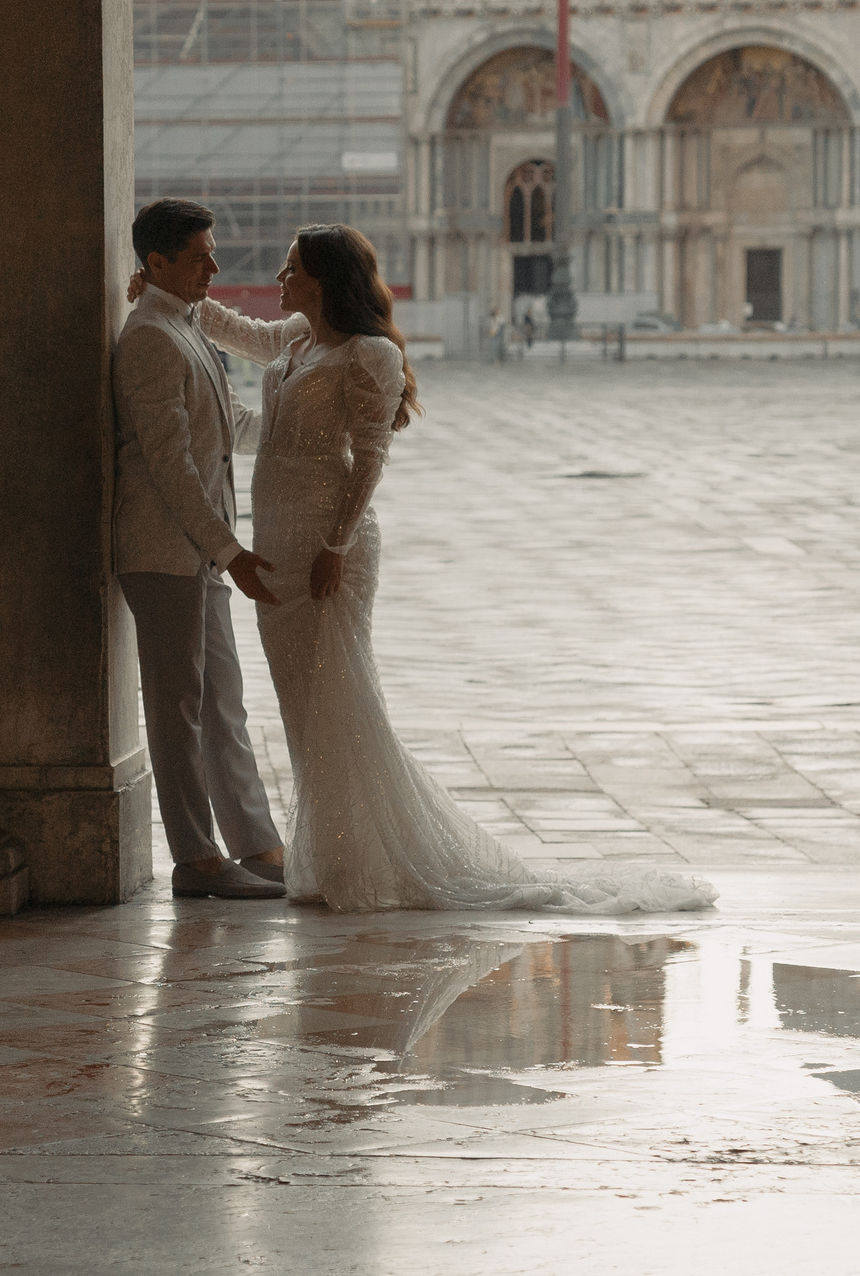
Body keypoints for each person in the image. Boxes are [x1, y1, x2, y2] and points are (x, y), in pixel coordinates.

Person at [193, 224, 717, 917]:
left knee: (340, 701)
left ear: (323, 279)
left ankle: (366, 860)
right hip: (277, 546)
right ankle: (334, 854)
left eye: (291, 269)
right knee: (299, 706)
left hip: (327, 548)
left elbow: (370, 459)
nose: (280, 279)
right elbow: (240, 332)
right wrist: (169, 293)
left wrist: (335, 548)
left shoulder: (370, 354)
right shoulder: (294, 338)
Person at [111, 200, 289, 901]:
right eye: (199, 256)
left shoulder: (185, 326)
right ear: (157, 263)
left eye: (212, 252)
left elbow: (230, 426)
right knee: (177, 706)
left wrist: (305, 426)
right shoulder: (150, 337)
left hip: (202, 551)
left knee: (223, 703)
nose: (215, 266)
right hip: (163, 552)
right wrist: (230, 550)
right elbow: (170, 464)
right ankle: (197, 859)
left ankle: (256, 845)